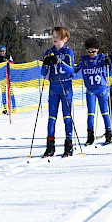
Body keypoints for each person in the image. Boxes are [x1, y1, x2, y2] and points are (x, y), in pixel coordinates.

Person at [41, 26, 75, 157]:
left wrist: (60, 63)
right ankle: (50, 146)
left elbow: (72, 71)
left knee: (67, 116)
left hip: (66, 87)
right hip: (53, 87)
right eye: (53, 36)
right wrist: (45, 63)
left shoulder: (68, 52)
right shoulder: (49, 52)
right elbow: (43, 73)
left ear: (64, 39)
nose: (54, 39)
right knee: (52, 117)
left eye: (57, 37)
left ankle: (69, 145)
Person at [75, 37, 112, 145]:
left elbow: (109, 65)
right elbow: (75, 69)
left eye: (94, 51)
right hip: (90, 90)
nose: (91, 54)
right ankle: (90, 136)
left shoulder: (101, 58)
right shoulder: (84, 59)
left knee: (104, 111)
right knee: (91, 113)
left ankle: (108, 134)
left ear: (98, 50)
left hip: (102, 90)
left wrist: (108, 61)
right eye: (89, 51)